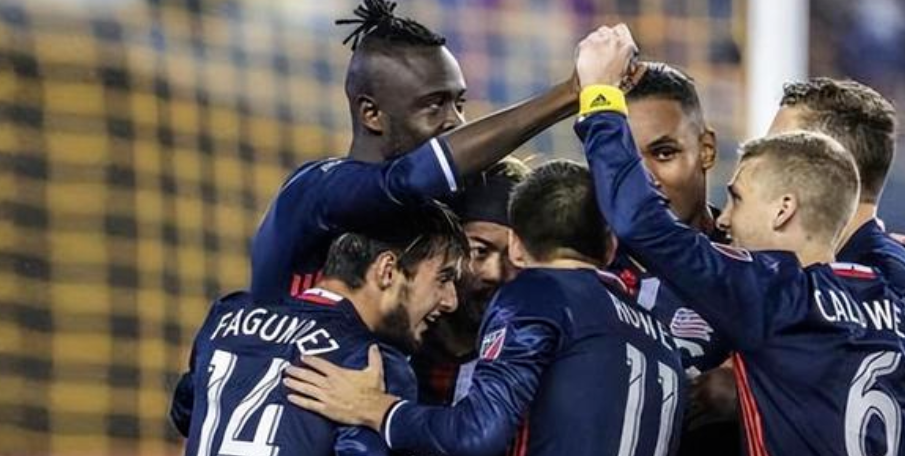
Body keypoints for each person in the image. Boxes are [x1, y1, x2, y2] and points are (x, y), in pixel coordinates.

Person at [576, 26, 905, 455]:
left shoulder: (774, 290)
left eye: (783, 147)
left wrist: (599, 97)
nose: (725, 218)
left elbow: (644, 225)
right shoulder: (889, 283)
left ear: (823, 166)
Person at [285, 152, 688, 456]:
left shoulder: (537, 295)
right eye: (477, 251)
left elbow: (477, 434)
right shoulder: (660, 334)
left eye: (505, 254)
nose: (495, 272)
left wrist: (377, 409)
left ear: (518, 245)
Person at [251, 0, 582, 304]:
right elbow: (409, 178)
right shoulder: (315, 192)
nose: (456, 121)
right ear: (371, 114)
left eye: (459, 104)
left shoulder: (426, 213)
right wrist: (571, 93)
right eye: (434, 105)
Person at [171, 203, 468, 455]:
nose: (451, 301)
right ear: (387, 270)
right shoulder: (374, 365)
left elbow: (185, 411)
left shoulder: (228, 314)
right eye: (443, 278)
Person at [618, 61, 737, 456]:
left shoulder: (757, 265)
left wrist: (753, 390)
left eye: (664, 152)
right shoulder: (581, 270)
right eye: (626, 160)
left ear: (706, 150)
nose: (646, 180)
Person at [768, 77, 905, 295]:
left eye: (778, 155)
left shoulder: (885, 288)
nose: (762, 166)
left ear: (834, 171)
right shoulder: (814, 271)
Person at [411, 157, 530, 406]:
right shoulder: (399, 349)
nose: (495, 273)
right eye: (480, 251)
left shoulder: (529, 363)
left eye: (514, 257)